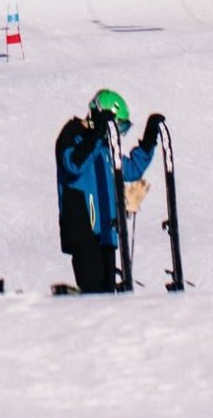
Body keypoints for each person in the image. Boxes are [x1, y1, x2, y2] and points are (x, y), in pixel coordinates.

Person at [54, 91, 159, 293]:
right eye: (118, 126)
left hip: (106, 231)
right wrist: (96, 135)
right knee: (94, 293)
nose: (118, 133)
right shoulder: (72, 134)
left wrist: (148, 142)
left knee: (109, 295)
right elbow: (73, 165)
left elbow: (128, 169)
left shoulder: (103, 145)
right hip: (84, 228)